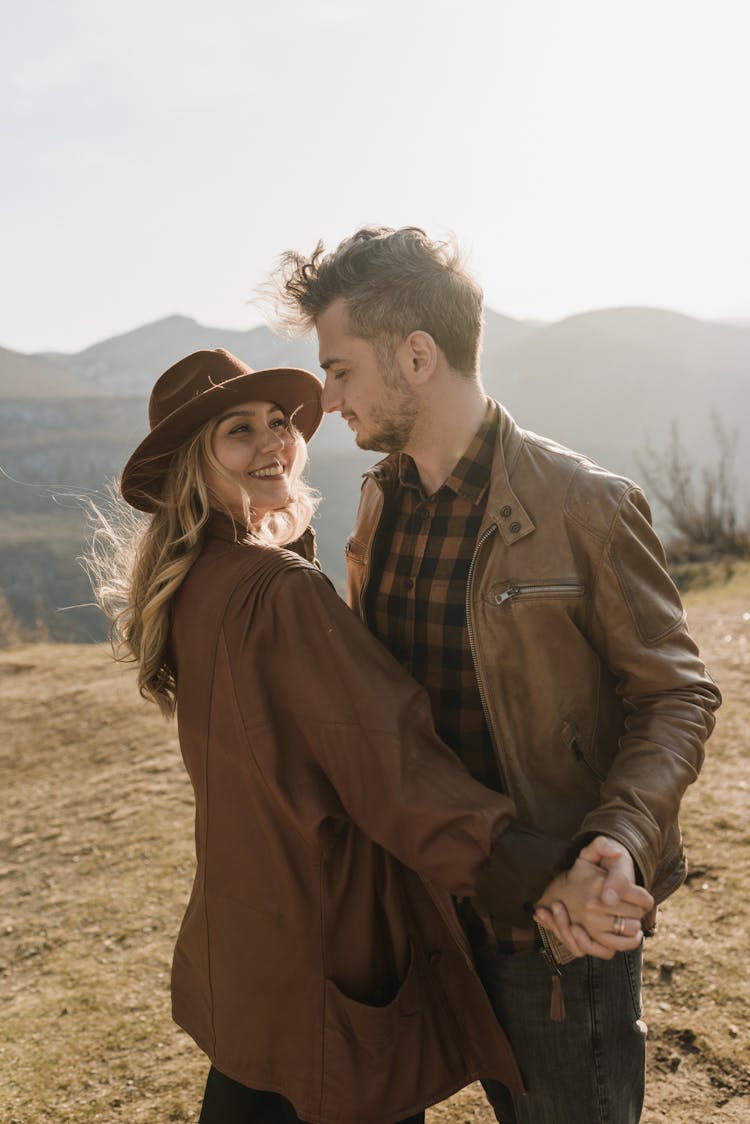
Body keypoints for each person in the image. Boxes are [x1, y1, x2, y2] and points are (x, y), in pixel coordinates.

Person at [89, 347, 650, 1124]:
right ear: (194, 464)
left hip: (253, 941)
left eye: (280, 422)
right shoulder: (276, 592)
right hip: (330, 944)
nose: (274, 443)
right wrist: (534, 872)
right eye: (237, 432)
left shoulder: (192, 582)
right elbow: (390, 764)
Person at [269, 227, 722, 1124]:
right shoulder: (379, 498)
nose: (326, 399)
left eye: (341, 369)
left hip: (553, 924)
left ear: (417, 355)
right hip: (426, 912)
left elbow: (676, 695)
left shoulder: (585, 505)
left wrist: (620, 840)